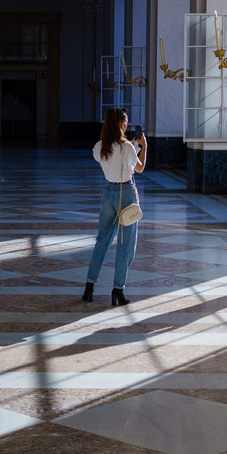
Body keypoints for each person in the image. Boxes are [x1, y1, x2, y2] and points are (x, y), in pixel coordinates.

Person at [82, 107, 147, 306]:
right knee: (125, 245)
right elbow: (140, 169)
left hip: (108, 193)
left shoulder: (100, 146)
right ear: (121, 124)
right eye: (125, 123)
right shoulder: (128, 147)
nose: (127, 126)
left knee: (102, 240)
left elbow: (105, 164)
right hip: (125, 194)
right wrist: (143, 147)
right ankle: (118, 289)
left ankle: (89, 287)